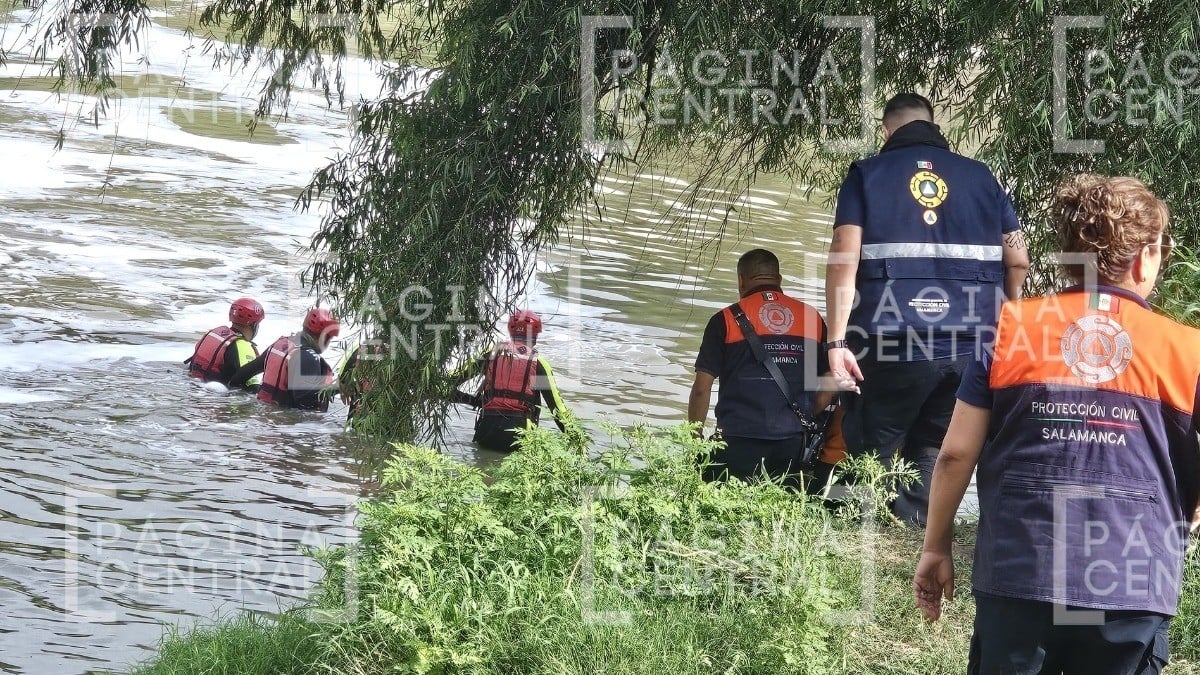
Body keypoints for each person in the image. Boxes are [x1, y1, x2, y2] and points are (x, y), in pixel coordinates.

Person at [914, 175, 1199, 674]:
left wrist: (936, 544)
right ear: (1145, 257)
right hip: (1132, 581)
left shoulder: (1008, 330)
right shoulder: (1187, 351)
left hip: (1020, 572)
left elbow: (955, 453)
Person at [824, 92, 1030, 524]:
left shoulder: (867, 174)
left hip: (890, 337)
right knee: (936, 444)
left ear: (886, 131)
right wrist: (1009, 323)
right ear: (935, 126)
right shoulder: (982, 177)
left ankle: (860, 531)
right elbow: (1018, 260)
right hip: (972, 342)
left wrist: (836, 341)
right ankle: (916, 529)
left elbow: (844, 254)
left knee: (874, 443)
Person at [689, 248, 838, 493]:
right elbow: (832, 378)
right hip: (792, 442)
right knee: (782, 503)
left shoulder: (724, 319)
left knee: (726, 502)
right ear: (779, 279)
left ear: (741, 280)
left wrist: (694, 440)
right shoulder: (812, 318)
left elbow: (701, 389)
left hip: (737, 439)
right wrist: (807, 413)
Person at [451, 310, 568, 452]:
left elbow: (446, 383)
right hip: (520, 435)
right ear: (535, 335)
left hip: (486, 431)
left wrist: (474, 401)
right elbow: (557, 409)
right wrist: (577, 441)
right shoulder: (538, 364)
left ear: (511, 331)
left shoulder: (491, 354)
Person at [230, 307, 340, 411]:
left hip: (264, 414)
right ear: (324, 337)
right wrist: (337, 388)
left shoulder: (280, 344)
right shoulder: (309, 357)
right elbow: (304, 400)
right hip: (286, 420)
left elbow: (240, 376)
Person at [185, 297, 265, 388]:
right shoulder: (242, 346)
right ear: (252, 324)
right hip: (216, 393)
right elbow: (252, 386)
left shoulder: (214, 334)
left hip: (195, 385)